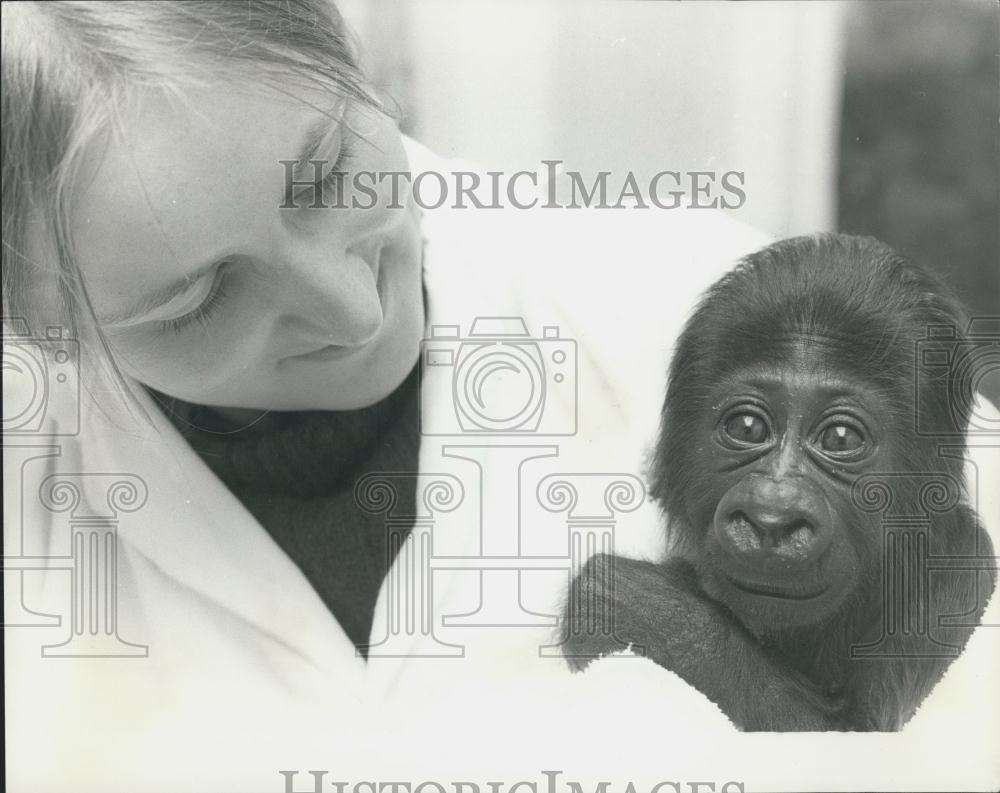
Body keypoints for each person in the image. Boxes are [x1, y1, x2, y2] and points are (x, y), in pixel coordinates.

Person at [4, 3, 999, 792]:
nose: (348, 310)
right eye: (196, 298)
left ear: (361, 69)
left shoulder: (719, 313)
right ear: (36, 320)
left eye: (326, 179)